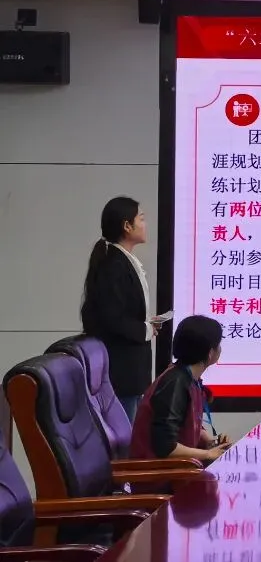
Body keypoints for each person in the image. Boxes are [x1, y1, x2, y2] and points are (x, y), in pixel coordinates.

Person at [80, 196, 157, 423]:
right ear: (127, 226)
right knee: (123, 435)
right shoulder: (114, 265)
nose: (144, 224)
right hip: (121, 371)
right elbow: (112, 319)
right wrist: (145, 329)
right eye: (141, 219)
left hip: (129, 370)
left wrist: (147, 325)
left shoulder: (122, 260)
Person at [129, 315, 231, 465]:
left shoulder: (186, 378)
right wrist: (208, 454)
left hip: (178, 467)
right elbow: (166, 447)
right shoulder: (175, 384)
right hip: (159, 473)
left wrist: (209, 441)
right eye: (218, 344)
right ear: (210, 353)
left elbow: (182, 425)